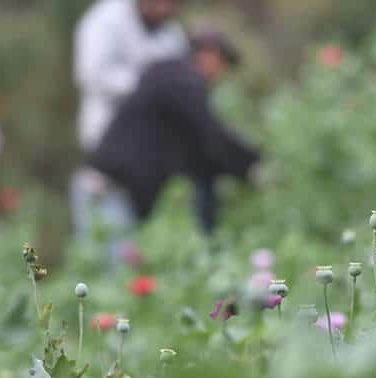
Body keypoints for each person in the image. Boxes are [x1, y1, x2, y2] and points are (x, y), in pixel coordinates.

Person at [86, 30, 261, 235]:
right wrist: (254, 166)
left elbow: (201, 150)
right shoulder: (181, 80)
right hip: (111, 190)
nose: (220, 74)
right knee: (110, 263)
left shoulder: (171, 78)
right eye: (222, 63)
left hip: (113, 190)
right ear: (208, 54)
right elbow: (212, 136)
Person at [70, 0, 188, 237]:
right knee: (108, 249)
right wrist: (149, 86)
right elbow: (91, 74)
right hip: (109, 152)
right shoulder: (105, 20)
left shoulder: (173, 34)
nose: (164, 9)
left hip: (153, 163)